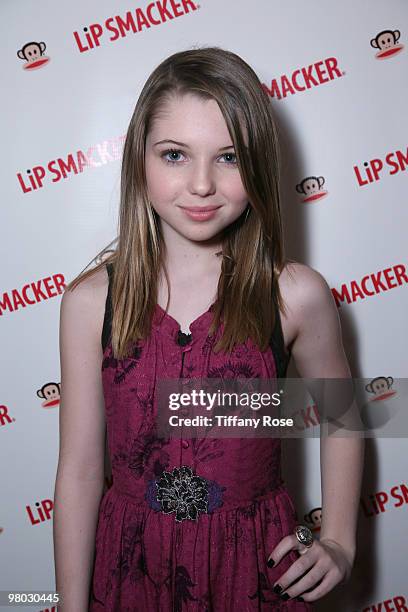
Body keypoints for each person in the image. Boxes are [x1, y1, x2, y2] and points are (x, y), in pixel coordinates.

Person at [53, 46, 364, 611]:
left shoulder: (293, 295)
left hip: (256, 568)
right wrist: (72, 605)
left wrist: (340, 539)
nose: (201, 184)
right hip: (130, 573)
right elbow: (78, 469)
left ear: (260, 164)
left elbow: (341, 415)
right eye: (174, 155)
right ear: (138, 162)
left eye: (228, 157)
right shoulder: (90, 303)